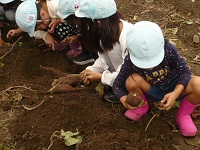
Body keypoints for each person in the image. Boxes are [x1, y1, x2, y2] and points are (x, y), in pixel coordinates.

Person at [113, 21, 200, 137]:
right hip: (152, 90)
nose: (149, 67)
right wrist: (124, 100)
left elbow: (185, 72)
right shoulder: (130, 61)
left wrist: (175, 93)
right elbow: (117, 84)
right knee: (131, 81)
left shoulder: (169, 50)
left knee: (198, 84)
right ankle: (142, 107)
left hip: (175, 86)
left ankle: (183, 115)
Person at [73, 0, 133, 103]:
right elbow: (103, 58)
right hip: (122, 72)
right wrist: (93, 69)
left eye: (87, 24)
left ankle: (124, 89)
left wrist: (102, 77)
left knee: (113, 49)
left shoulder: (129, 39)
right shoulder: (109, 32)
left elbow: (127, 71)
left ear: (98, 22)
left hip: (135, 78)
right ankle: (116, 83)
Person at [7, 0, 82, 58]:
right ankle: (59, 43)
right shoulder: (44, 11)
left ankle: (77, 48)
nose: (40, 28)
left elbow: (81, 14)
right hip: (69, 18)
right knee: (49, 25)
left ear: (42, 14)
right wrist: (18, 30)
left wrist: (60, 20)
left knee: (59, 27)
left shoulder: (57, 6)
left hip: (83, 21)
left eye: (38, 26)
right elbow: (33, 27)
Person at [57, 0, 97, 65]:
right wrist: (78, 37)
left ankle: (94, 55)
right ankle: (88, 53)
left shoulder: (95, 22)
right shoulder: (85, 20)